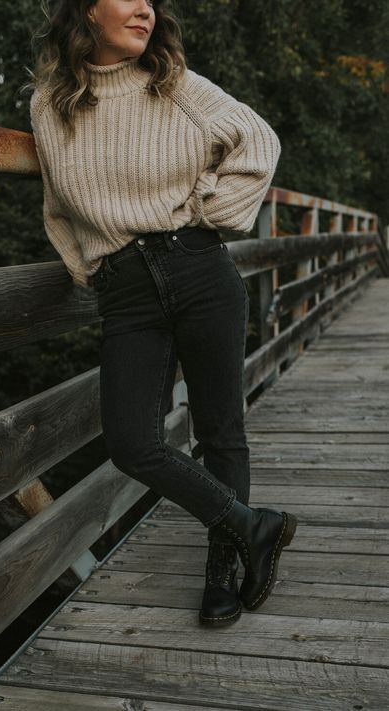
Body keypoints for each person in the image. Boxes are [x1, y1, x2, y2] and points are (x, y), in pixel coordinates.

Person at [26, 0, 297, 627]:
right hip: (124, 290)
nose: (146, 7)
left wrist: (212, 212)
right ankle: (252, 527)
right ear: (88, 12)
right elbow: (57, 206)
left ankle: (223, 573)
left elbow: (259, 140)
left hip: (197, 266)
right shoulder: (50, 104)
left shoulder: (177, 85)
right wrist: (88, 269)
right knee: (132, 442)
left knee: (220, 430)